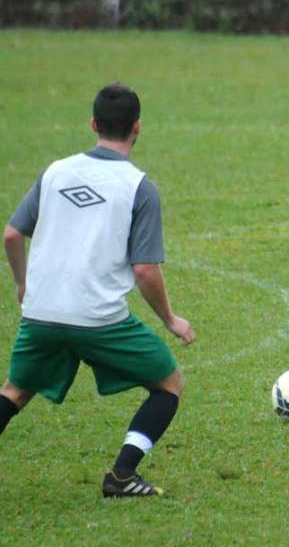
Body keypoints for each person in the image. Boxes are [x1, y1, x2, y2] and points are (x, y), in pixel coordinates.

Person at [1, 84, 195, 497]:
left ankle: (123, 477)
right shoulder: (139, 186)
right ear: (138, 128)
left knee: (15, 392)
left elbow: (13, 234)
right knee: (169, 383)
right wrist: (171, 320)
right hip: (99, 319)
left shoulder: (56, 171)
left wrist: (23, 284)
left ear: (93, 124)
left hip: (42, 313)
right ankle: (122, 476)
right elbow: (144, 270)